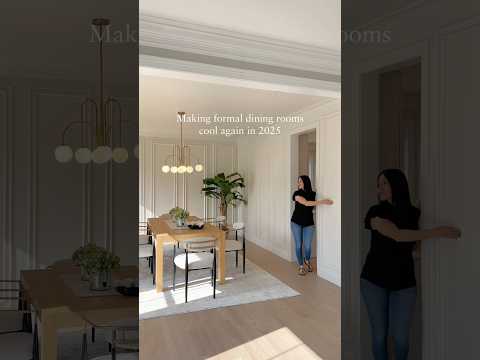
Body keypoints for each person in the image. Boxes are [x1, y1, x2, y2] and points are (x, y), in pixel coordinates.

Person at [361, 168, 461, 360]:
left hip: (404, 284)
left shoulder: (414, 214)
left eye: (384, 183)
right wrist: (438, 232)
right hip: (373, 281)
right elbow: (398, 236)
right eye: (378, 184)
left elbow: (415, 248)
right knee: (379, 336)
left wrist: (417, 253)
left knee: (401, 339)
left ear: (397, 185)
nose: (379, 188)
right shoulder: (374, 213)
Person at [291, 175, 333, 275]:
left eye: (300, 181)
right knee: (298, 245)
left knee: (308, 246)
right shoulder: (296, 194)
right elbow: (306, 203)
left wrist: (316, 206)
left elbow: (312, 206)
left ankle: (307, 260)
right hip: (296, 222)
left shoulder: (314, 194)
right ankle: (301, 266)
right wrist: (323, 202)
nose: (298, 183)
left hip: (309, 223)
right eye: (298, 181)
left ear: (306, 182)